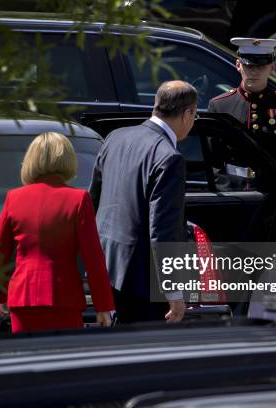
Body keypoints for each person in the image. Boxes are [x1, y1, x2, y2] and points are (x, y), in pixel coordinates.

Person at [89, 80, 198, 324]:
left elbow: (92, 203)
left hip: (106, 269)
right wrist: (174, 290)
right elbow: (162, 231)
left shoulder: (115, 138)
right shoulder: (169, 158)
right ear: (188, 113)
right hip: (142, 282)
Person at [0, 132, 115, 334]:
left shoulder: (14, 198)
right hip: (64, 297)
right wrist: (103, 306)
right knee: (64, 361)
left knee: (27, 361)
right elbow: (93, 258)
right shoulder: (78, 199)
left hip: (23, 297)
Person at [208, 37, 276, 238]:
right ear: (238, 65)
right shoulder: (220, 106)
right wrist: (223, 196)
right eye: (248, 65)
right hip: (234, 198)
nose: (254, 71)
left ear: (271, 67)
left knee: (271, 265)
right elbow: (215, 161)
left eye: (261, 66)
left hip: (273, 203)